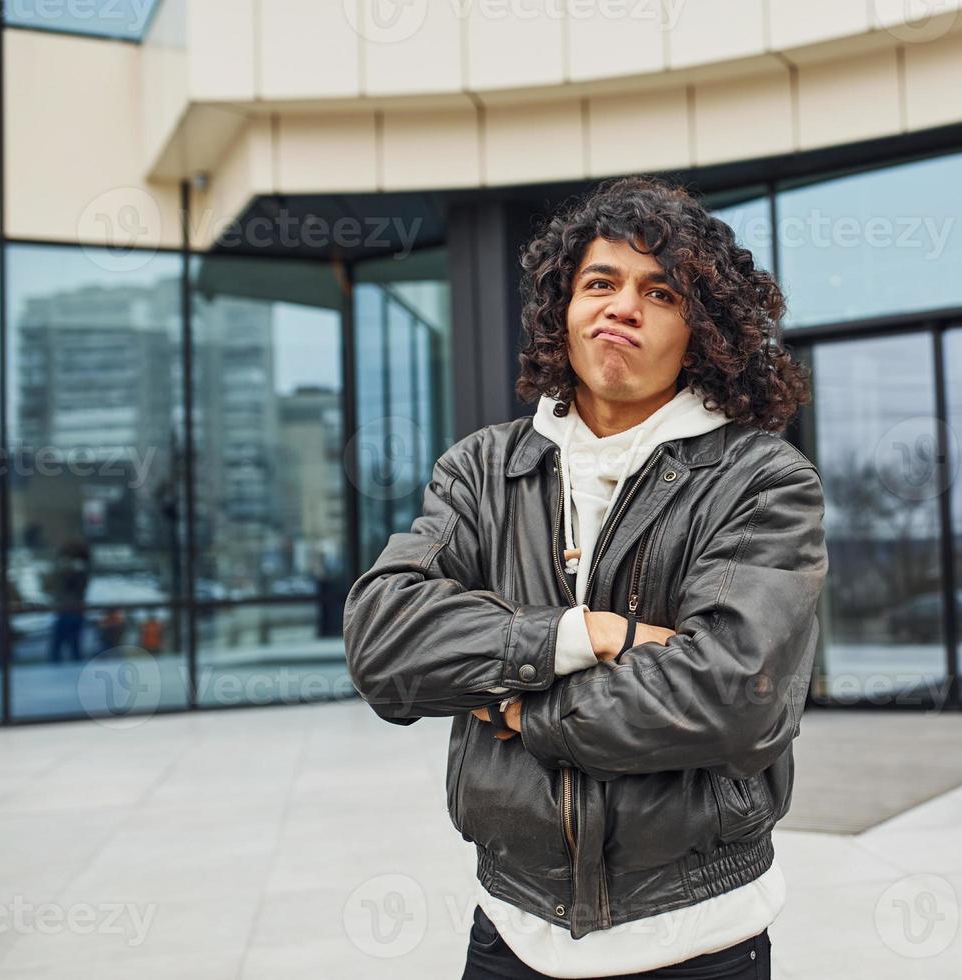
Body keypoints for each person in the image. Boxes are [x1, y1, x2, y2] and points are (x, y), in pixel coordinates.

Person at [343, 175, 827, 979]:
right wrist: (578, 634)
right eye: (598, 282)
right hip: (510, 934)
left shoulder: (760, 478)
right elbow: (385, 642)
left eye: (660, 291)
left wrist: (516, 705)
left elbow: (735, 693)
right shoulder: (483, 469)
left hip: (697, 939)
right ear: (561, 312)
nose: (621, 306)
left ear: (701, 331)